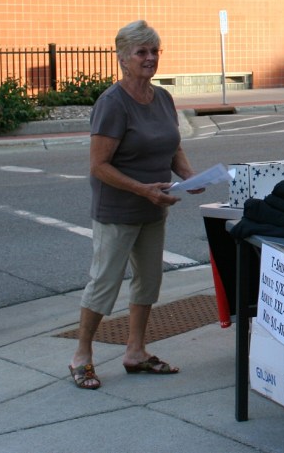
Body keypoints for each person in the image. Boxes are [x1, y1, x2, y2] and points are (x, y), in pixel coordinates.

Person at [68, 20, 202, 390]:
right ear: (123, 58)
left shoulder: (162, 98)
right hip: (119, 210)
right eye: (142, 52)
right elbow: (98, 165)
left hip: (154, 208)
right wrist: (143, 190)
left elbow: (173, 145)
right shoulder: (113, 103)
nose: (150, 58)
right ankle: (82, 355)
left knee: (149, 281)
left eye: (154, 51)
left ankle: (136, 351)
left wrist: (189, 177)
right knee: (105, 282)